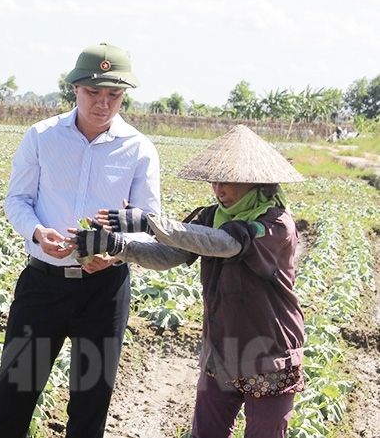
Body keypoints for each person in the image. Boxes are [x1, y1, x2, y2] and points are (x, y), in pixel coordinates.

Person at [72, 125, 305, 438]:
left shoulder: (275, 226)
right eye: (215, 180)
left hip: (269, 355)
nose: (219, 189)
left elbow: (225, 244)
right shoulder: (211, 216)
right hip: (221, 351)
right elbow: (172, 254)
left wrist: (150, 221)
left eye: (229, 182)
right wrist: (117, 246)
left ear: (256, 182)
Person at [0, 42, 161, 438]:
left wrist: (114, 254)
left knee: (91, 399)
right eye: (93, 93)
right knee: (14, 392)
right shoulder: (42, 137)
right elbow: (18, 199)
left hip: (105, 289)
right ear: (75, 90)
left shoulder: (139, 150)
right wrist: (36, 232)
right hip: (44, 284)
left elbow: (149, 223)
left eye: (113, 95)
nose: (102, 103)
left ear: (124, 96)